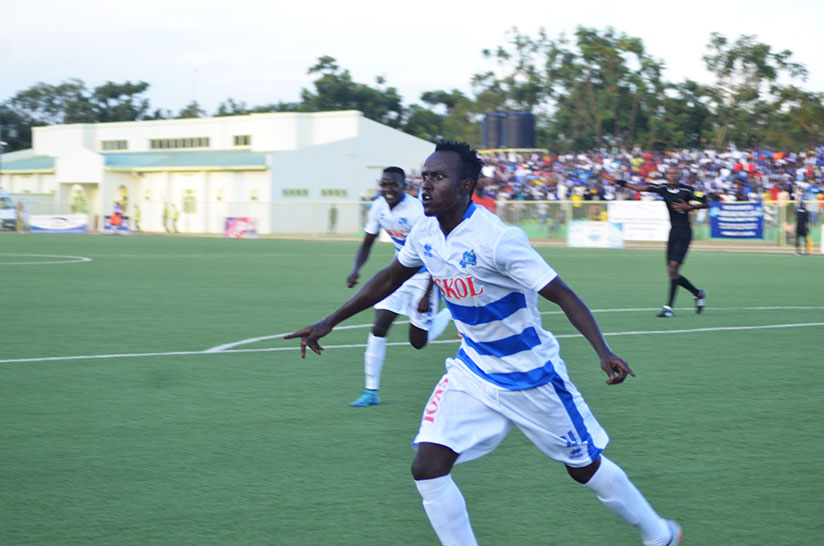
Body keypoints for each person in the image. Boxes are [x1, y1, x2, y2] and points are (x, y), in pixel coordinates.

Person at [287, 142, 682, 545]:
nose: (425, 186)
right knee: (427, 466)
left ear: (466, 186)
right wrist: (329, 321)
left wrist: (603, 351)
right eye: (425, 176)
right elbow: (389, 279)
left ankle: (659, 533)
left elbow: (562, 294)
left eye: (437, 178)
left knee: (583, 467)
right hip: (473, 370)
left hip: (532, 376)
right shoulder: (424, 230)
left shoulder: (498, 239)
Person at [344, 166, 451, 407]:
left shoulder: (418, 212)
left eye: (394, 185)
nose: (388, 189)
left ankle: (446, 314)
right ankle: (371, 392)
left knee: (418, 342)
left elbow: (436, 254)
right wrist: (356, 269)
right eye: (384, 184)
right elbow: (367, 242)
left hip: (426, 275)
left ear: (405, 187)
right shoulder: (378, 207)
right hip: (399, 274)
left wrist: (427, 294)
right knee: (379, 326)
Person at [603, 168, 708, 318]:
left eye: (675, 173)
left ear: (679, 175)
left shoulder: (688, 190)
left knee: (673, 270)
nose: (672, 176)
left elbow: (707, 203)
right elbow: (640, 187)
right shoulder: (662, 189)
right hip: (673, 232)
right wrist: (619, 182)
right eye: (669, 174)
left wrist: (690, 207)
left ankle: (669, 308)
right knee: (672, 273)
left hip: (685, 233)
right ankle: (697, 294)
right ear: (666, 176)